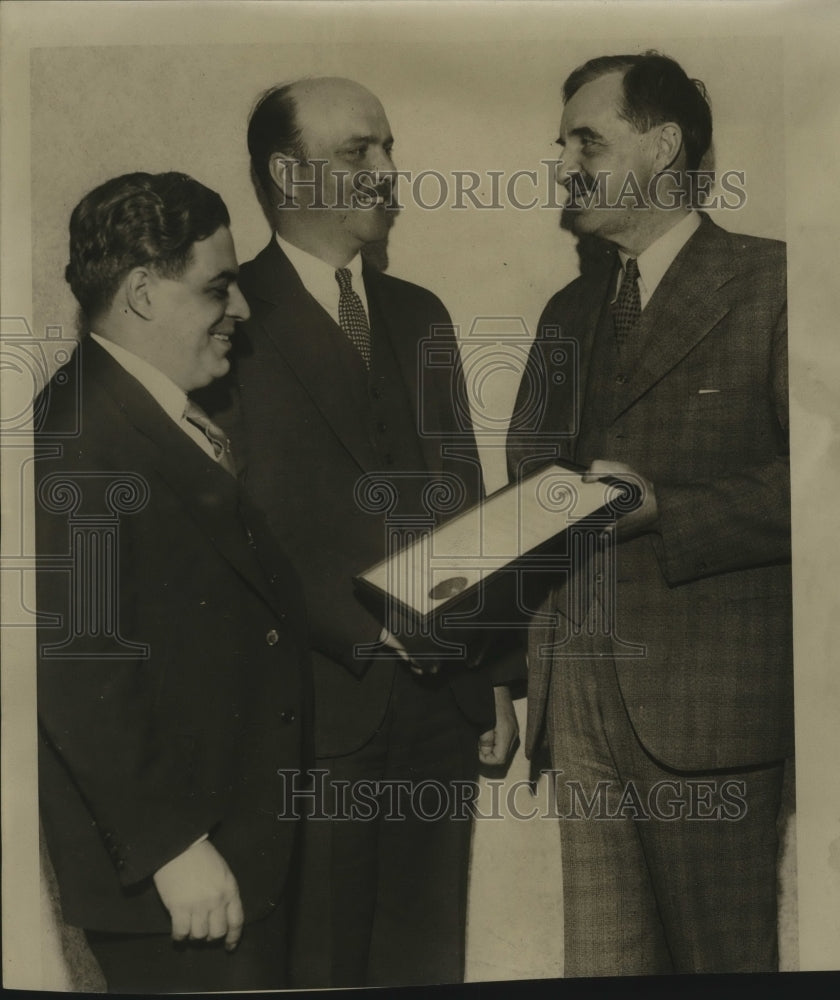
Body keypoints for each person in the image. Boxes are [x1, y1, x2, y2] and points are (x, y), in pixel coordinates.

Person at [196, 77, 520, 988]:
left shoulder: (421, 314)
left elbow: (466, 499)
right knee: (322, 964)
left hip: (439, 712)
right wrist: (362, 628)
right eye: (356, 154)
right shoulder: (226, 317)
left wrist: (491, 676)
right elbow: (228, 530)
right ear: (286, 174)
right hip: (313, 712)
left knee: (428, 962)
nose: (386, 172)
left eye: (386, 150)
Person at [507, 53, 792, 975]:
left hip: (709, 717)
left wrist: (672, 510)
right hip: (578, 706)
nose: (563, 166)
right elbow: (524, 495)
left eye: (586, 141)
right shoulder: (565, 311)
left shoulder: (774, 284)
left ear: (663, 147)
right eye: (562, 144)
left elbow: (827, 487)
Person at [35, 171, 312, 993]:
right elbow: (78, 672)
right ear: (144, 293)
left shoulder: (143, 411)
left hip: (227, 857)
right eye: (218, 288)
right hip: (182, 879)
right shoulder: (75, 439)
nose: (243, 311)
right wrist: (172, 847)